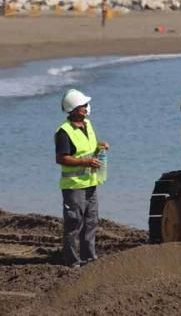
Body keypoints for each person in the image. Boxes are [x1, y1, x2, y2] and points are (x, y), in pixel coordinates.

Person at [55, 88, 109, 269]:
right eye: (83, 105)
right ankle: (72, 261)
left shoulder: (88, 124)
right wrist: (85, 162)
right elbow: (61, 158)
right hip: (74, 186)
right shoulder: (63, 132)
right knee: (74, 223)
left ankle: (89, 258)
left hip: (91, 182)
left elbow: (89, 146)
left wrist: (99, 146)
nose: (87, 107)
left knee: (91, 221)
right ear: (75, 108)